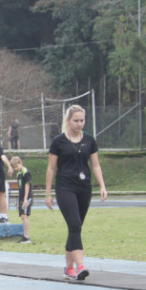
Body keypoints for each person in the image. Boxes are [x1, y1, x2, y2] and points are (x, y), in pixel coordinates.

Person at [45, 104, 107, 281]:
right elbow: (51, 167)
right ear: (68, 120)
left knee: (76, 227)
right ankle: (80, 266)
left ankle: (69, 268)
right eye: (76, 121)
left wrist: (102, 185)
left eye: (82, 120)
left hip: (84, 187)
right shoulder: (58, 142)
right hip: (65, 187)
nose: (79, 124)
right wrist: (48, 193)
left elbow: (95, 165)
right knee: (74, 224)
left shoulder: (89, 140)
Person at [11, 156, 32, 243]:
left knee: (24, 216)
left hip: (26, 197)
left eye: (16, 166)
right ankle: (24, 235)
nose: (16, 169)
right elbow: (20, 188)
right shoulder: (18, 174)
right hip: (21, 198)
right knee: (22, 217)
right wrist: (18, 202)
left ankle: (26, 237)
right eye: (14, 167)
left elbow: (27, 185)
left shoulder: (25, 172)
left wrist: (25, 199)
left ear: (20, 162)